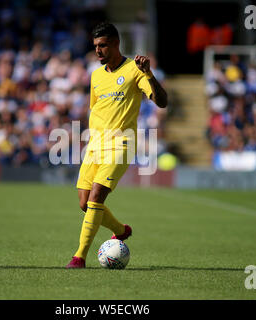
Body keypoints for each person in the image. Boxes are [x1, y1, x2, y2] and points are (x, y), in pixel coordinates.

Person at [66, 22, 167, 268]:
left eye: (103, 45)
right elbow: (96, 109)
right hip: (95, 145)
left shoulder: (134, 69)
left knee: (97, 196)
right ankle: (121, 230)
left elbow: (161, 102)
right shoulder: (96, 75)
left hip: (121, 144)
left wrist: (149, 74)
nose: (98, 51)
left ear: (115, 44)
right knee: (84, 202)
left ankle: (79, 256)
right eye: (95, 47)